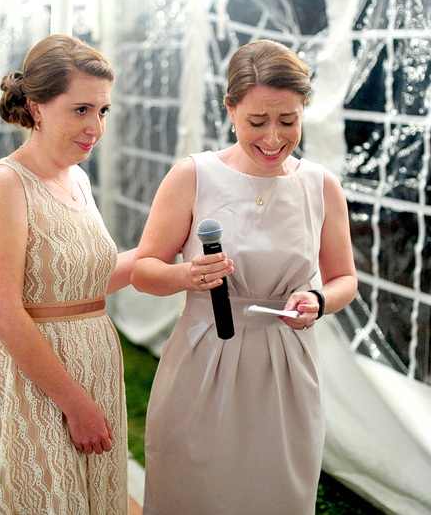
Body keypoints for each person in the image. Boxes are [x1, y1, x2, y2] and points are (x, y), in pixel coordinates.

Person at [131, 39, 358, 515]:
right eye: (257, 121)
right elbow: (144, 271)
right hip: (202, 360)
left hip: (287, 373)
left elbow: (345, 279)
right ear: (230, 109)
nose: (273, 138)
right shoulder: (193, 175)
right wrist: (187, 275)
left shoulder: (321, 186)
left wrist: (319, 299)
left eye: (288, 121)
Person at [0, 34, 134, 515]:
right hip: (35, 380)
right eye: (81, 110)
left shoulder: (77, 177)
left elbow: (81, 280)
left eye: (103, 111)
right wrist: (75, 404)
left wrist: (176, 266)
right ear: (36, 108)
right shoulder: (3, 183)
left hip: (94, 363)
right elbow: (0, 309)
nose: (95, 127)